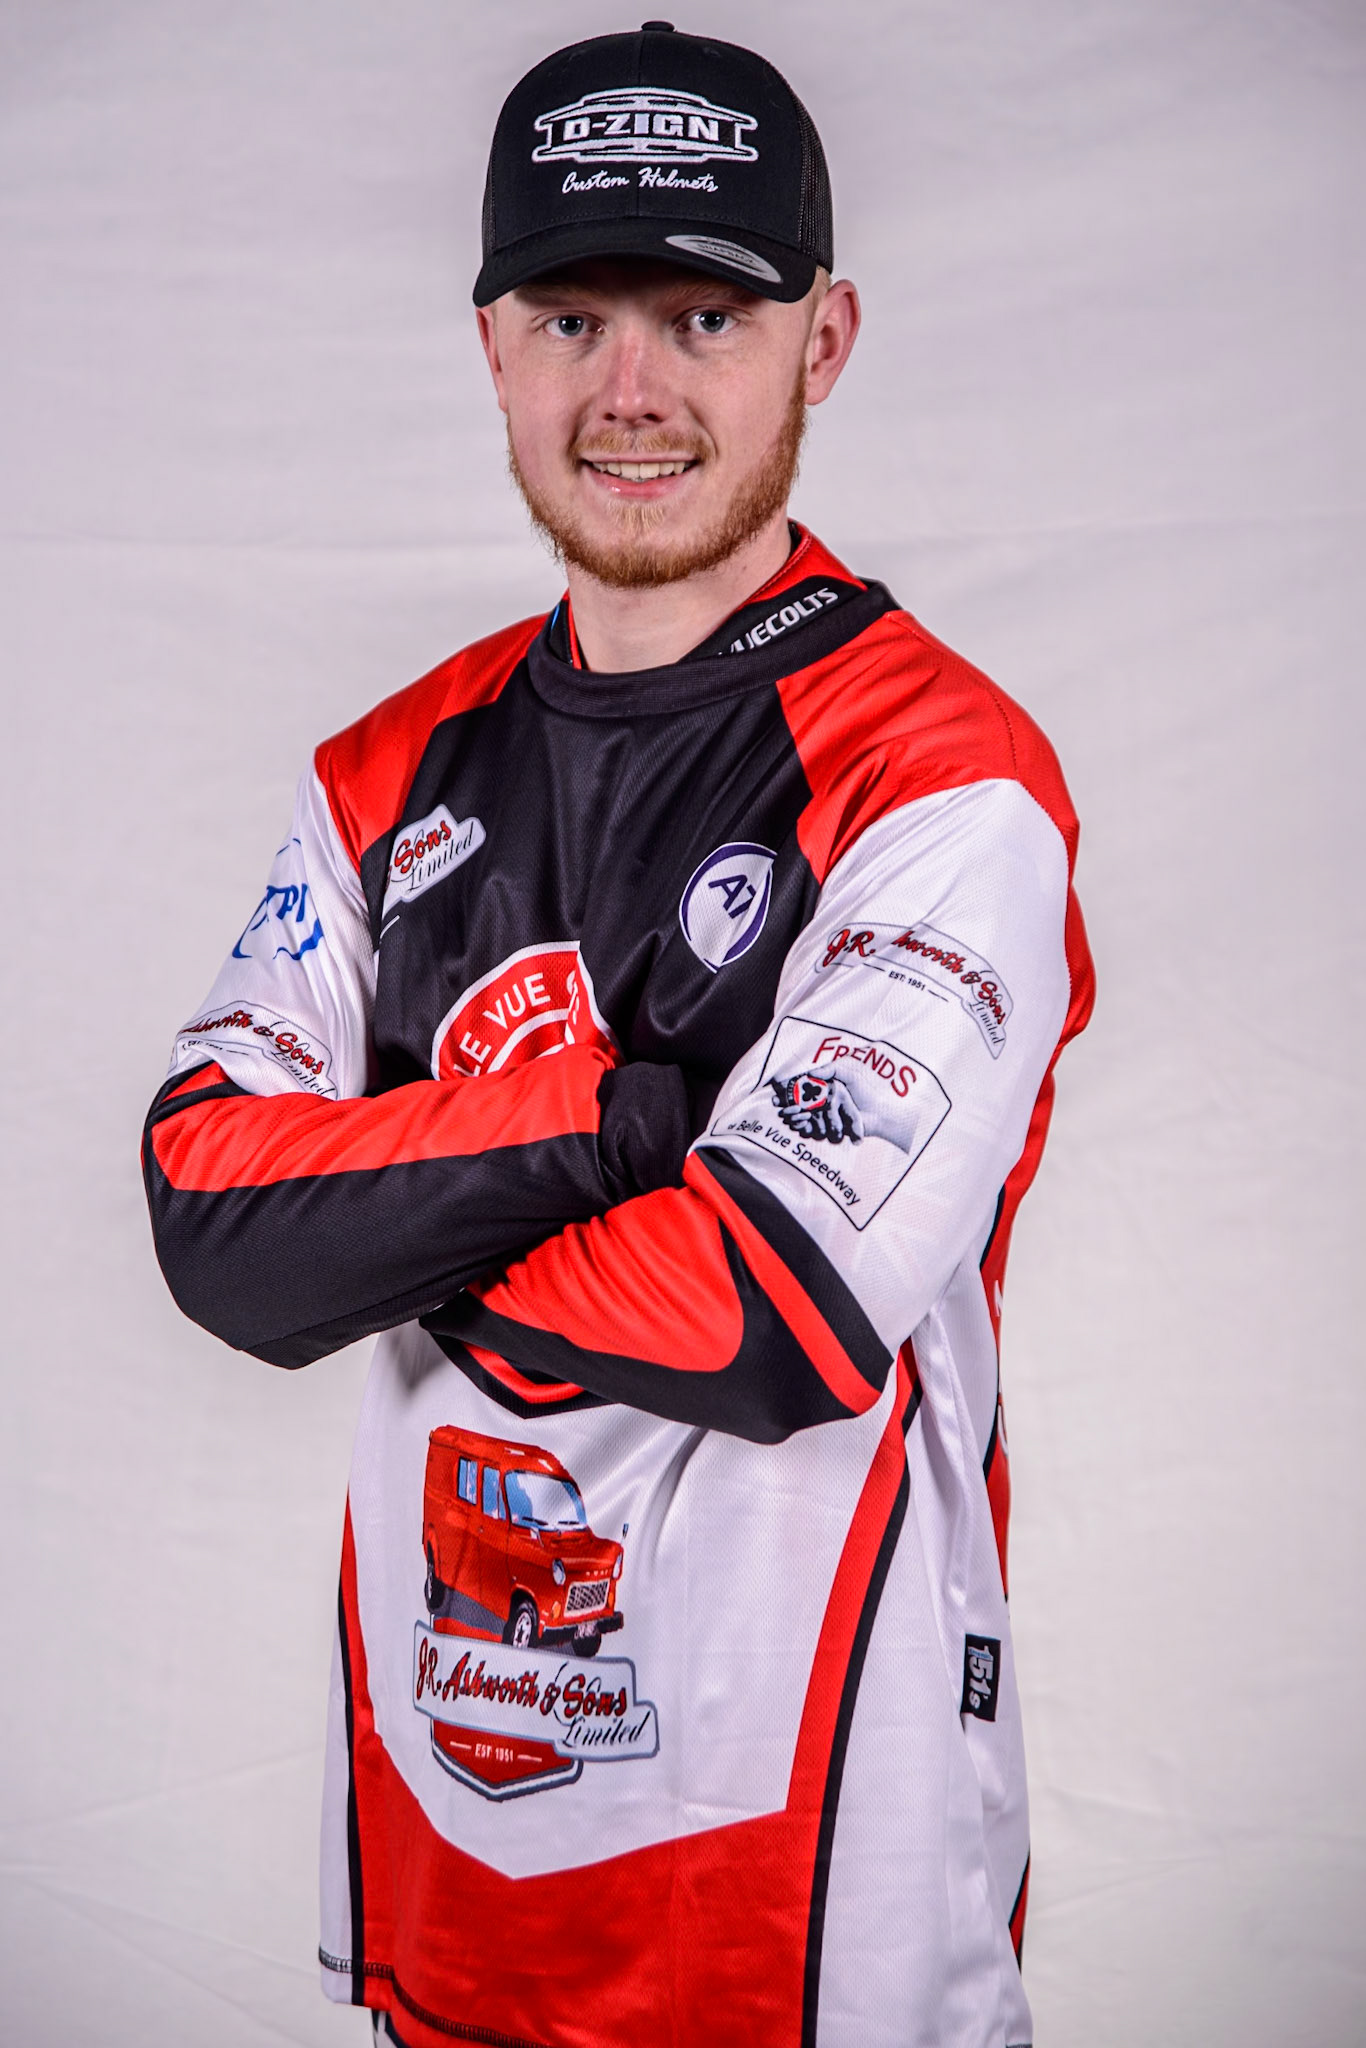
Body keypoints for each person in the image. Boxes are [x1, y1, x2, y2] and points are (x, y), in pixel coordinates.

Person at [142, 23, 1094, 2048]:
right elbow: (214, 1218)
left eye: (701, 313)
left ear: (819, 342)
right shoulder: (383, 774)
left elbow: (770, 1305)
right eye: (570, 315)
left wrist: (392, 1184)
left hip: (810, 1896)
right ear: (489, 342)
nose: (630, 389)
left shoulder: (942, 788)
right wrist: (615, 1117)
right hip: (446, 1848)